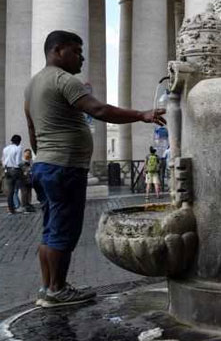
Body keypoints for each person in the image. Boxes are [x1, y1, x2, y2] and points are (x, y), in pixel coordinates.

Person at [25, 30, 165, 308]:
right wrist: (141, 115)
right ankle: (57, 289)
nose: (82, 57)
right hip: (65, 167)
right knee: (64, 230)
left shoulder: (33, 84)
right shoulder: (64, 80)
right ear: (58, 50)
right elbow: (99, 110)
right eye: (76, 51)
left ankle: (48, 288)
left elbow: (31, 128)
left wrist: (45, 155)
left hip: (46, 165)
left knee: (50, 229)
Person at [2, 135, 23, 214]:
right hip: (16, 170)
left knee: (10, 191)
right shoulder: (18, 148)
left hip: (7, 170)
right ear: (19, 141)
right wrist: (24, 164)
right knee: (19, 189)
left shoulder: (6, 149)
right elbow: (18, 162)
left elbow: (3, 160)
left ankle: (11, 209)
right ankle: (19, 206)